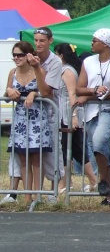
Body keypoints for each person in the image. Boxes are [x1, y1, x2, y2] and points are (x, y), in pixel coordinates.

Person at [76, 29, 110, 206]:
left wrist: (88, 96)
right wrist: (93, 91)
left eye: (95, 40)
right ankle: (108, 194)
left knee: (99, 141)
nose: (92, 43)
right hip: (91, 111)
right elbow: (79, 88)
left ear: (105, 44)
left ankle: (103, 181)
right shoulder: (88, 62)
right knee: (99, 148)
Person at [5, 41, 53, 205]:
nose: (16, 58)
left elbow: (46, 91)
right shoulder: (12, 72)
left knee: (36, 159)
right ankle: (27, 195)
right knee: (23, 159)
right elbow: (7, 89)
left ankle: (37, 195)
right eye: (14, 55)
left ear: (28, 55)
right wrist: (10, 90)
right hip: (20, 119)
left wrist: (33, 93)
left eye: (19, 55)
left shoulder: (39, 71)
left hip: (37, 118)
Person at [54, 43, 98, 194]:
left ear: (61, 55)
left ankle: (71, 181)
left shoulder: (67, 71)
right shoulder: (68, 69)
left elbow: (73, 94)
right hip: (65, 114)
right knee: (73, 149)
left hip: (69, 114)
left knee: (72, 148)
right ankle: (73, 181)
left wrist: (73, 116)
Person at [31, 27, 64, 201]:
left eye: (42, 40)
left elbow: (45, 91)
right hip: (32, 114)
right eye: (36, 40)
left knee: (52, 152)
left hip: (50, 112)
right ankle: (33, 194)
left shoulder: (55, 62)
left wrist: (36, 69)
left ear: (50, 41)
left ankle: (54, 192)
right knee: (32, 153)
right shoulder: (30, 57)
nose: (38, 44)